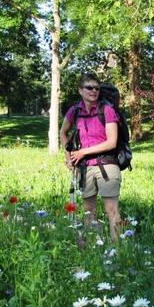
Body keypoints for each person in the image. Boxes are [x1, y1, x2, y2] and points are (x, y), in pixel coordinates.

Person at [60, 73, 121, 241]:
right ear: (80, 90)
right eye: (89, 87)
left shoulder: (106, 110)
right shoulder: (74, 111)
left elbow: (112, 142)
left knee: (111, 211)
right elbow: (63, 132)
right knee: (88, 211)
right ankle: (93, 248)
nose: (94, 91)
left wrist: (83, 152)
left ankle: (117, 250)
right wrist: (68, 156)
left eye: (97, 88)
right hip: (84, 168)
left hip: (107, 165)